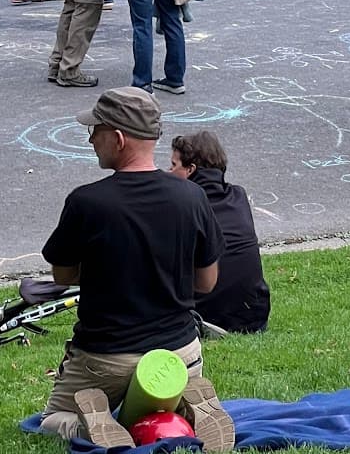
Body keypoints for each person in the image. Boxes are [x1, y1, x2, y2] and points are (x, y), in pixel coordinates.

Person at [39, 87, 234, 452]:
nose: (90, 139)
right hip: (178, 356)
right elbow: (207, 282)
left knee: (50, 420)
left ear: (118, 137)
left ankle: (90, 426)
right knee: (152, 410)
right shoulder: (191, 196)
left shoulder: (87, 202)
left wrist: (106, 269)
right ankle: (190, 409)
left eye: (94, 131)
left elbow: (62, 276)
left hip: (106, 358)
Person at [170, 132, 270, 334]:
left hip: (208, 315)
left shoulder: (183, 205)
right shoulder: (238, 195)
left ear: (190, 170)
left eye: (173, 165)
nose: (169, 171)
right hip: (254, 315)